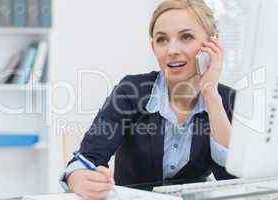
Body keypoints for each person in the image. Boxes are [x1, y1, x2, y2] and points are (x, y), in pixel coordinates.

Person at [60, 0, 236, 199]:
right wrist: (77, 177)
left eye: (186, 37)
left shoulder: (227, 100)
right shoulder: (131, 92)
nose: (171, 50)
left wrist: (211, 95)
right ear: (153, 47)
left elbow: (233, 180)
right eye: (162, 40)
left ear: (212, 44)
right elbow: (87, 159)